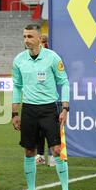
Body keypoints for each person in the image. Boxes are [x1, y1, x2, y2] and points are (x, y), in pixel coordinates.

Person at [11, 24, 74, 190]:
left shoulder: (52, 58)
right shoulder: (19, 60)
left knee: (56, 151)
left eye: (30, 36)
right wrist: (15, 112)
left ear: (40, 38)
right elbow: (17, 86)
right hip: (29, 110)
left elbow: (64, 82)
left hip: (49, 109)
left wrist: (65, 108)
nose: (26, 40)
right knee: (29, 151)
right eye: (24, 36)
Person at [35, 33, 56, 167]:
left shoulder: (51, 57)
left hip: (49, 99)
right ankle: (40, 155)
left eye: (42, 42)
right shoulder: (34, 58)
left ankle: (52, 156)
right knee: (39, 131)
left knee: (50, 130)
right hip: (36, 100)